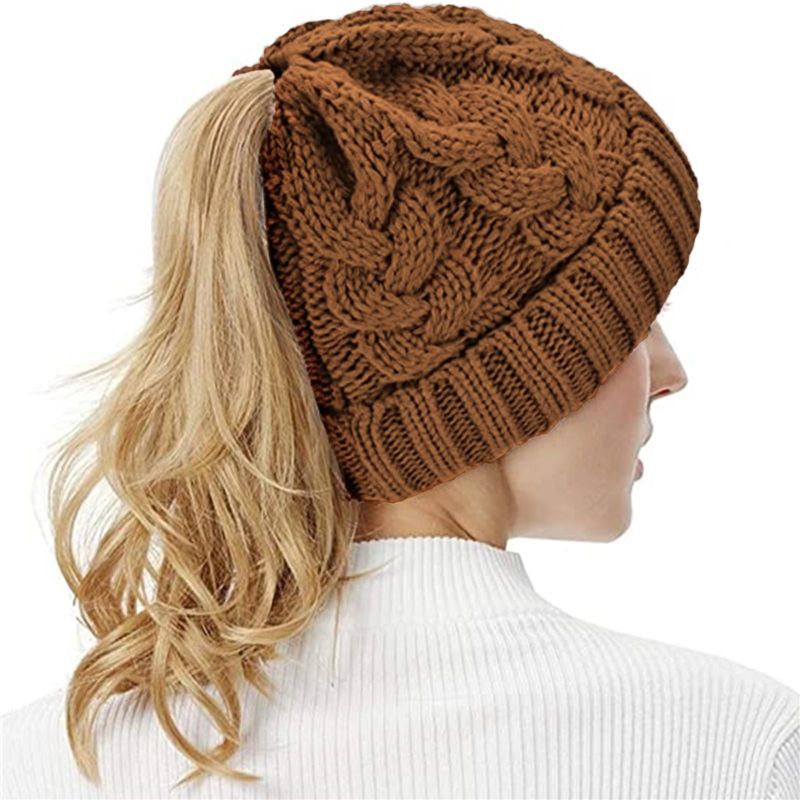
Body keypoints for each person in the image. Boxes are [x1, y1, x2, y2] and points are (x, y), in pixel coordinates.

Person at [1, 3, 798, 799]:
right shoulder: (730, 743)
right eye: (635, 321)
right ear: (509, 379)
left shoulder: (51, 760)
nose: (670, 371)